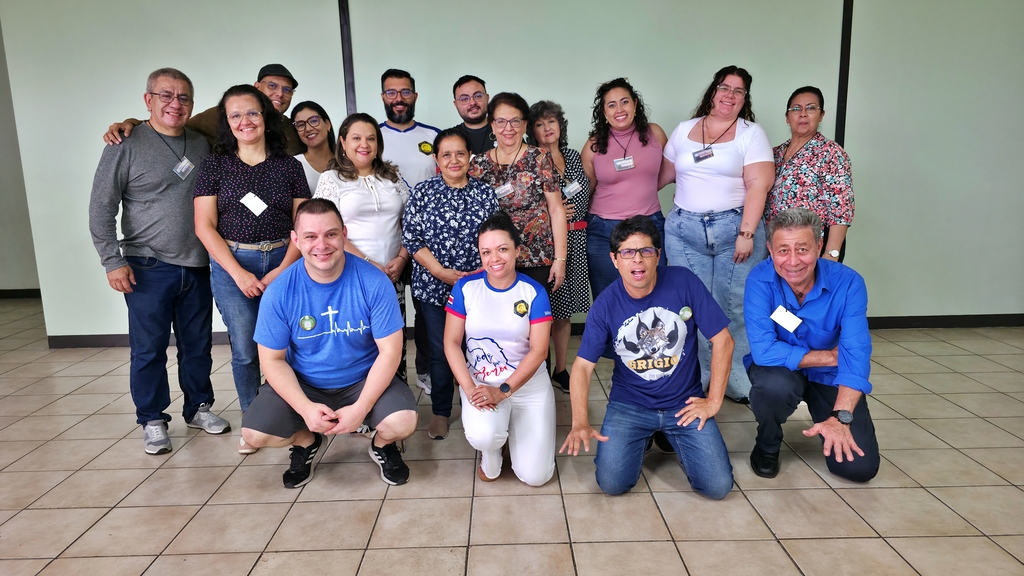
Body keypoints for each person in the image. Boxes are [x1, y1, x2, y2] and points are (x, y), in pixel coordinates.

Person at [89, 67, 230, 455]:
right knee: (149, 349)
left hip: (198, 266)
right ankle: (152, 419)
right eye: (166, 95)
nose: (175, 103)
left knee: (198, 345)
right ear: (148, 99)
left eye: (184, 97)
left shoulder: (201, 145)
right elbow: (102, 206)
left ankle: (198, 406)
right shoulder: (125, 144)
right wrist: (111, 261)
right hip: (146, 266)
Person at [240, 198, 417, 488]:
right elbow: (271, 360)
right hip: (305, 383)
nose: (321, 245)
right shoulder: (281, 291)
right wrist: (306, 408)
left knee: (404, 422)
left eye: (330, 234)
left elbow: (390, 352)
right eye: (310, 236)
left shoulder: (374, 282)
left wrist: (361, 408)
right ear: (296, 240)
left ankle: (382, 445)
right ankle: (307, 443)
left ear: (344, 234)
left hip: (362, 378)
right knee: (254, 435)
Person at [559, 216, 734, 499]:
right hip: (630, 406)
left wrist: (713, 401)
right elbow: (581, 367)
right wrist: (579, 421)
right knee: (612, 484)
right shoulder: (605, 304)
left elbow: (724, 340)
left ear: (658, 256)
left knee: (717, 487)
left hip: (683, 404)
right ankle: (647, 434)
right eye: (628, 252)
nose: (637, 260)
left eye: (646, 251)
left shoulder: (684, 282)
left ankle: (666, 433)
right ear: (615, 259)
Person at [192, 85, 311, 432]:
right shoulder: (214, 165)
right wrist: (239, 274)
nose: (245, 121)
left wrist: (282, 269)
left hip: (284, 261)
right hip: (232, 265)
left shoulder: (288, 166)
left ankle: (294, 414)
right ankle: (254, 421)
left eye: (253, 112)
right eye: (235, 115)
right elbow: (204, 226)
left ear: (266, 117)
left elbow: (302, 227)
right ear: (226, 123)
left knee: (289, 345)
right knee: (245, 349)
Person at [660, 65, 775, 404]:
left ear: (744, 99)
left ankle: (735, 382)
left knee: (734, 308)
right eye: (725, 87)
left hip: (735, 230)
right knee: (691, 310)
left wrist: (747, 232)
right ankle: (699, 380)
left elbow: (759, 184)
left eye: (739, 91)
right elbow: (661, 176)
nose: (730, 95)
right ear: (713, 91)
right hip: (684, 231)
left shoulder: (751, 133)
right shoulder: (683, 131)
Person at [745, 208, 878, 482]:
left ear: (819, 246)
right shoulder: (759, 281)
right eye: (783, 250)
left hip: (829, 377)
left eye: (803, 249)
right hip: (780, 371)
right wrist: (830, 356)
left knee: (859, 468)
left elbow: (856, 355)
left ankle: (829, 421)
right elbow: (764, 350)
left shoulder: (849, 283)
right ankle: (768, 442)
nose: (793, 261)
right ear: (769, 249)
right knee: (773, 386)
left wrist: (841, 419)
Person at [445, 212, 556, 486]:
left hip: (527, 385)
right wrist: (471, 390)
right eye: (486, 252)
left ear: (517, 251)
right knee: (485, 437)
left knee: (536, 476)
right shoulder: (465, 288)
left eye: (502, 249)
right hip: (481, 382)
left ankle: (510, 430)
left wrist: (503, 391)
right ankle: (491, 451)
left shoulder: (534, 292)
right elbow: (450, 343)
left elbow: (539, 351)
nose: (494, 259)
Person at [403, 129, 499, 439]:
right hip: (434, 287)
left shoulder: (485, 193)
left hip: (479, 287)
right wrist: (440, 271)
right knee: (442, 351)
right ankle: (442, 411)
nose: (454, 160)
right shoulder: (423, 192)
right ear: (436, 159)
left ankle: (481, 403)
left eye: (460, 153)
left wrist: (480, 275)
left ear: (470, 157)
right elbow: (412, 238)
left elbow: (496, 239)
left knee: (480, 348)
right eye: (446, 154)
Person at [314, 113, 412, 382]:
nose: (364, 144)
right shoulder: (331, 179)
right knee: (359, 340)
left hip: (393, 274)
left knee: (392, 338)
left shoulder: (393, 177)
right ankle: (359, 402)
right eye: (356, 138)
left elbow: (412, 222)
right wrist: (370, 265)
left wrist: (402, 259)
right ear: (343, 142)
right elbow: (327, 231)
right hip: (352, 274)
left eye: (370, 138)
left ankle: (394, 397)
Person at [377, 68, 440, 395]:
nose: (398, 99)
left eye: (404, 92)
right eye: (391, 92)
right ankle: (388, 376)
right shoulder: (370, 137)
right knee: (388, 315)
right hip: (386, 244)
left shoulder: (433, 135)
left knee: (429, 312)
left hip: (429, 242)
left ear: (414, 95)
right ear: (383, 97)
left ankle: (426, 371)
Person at [468, 92, 568, 295]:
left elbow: (556, 210)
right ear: (492, 124)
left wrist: (560, 260)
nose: (508, 128)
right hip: (495, 259)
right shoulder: (477, 164)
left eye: (515, 121)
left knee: (536, 321)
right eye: (501, 121)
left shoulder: (540, 158)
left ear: (524, 125)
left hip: (537, 257)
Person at [581, 78, 669, 300]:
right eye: (611, 105)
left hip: (650, 224)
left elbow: (673, 171)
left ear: (635, 104)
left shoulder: (654, 134)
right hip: (603, 230)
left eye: (624, 102)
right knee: (608, 297)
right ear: (603, 112)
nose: (619, 110)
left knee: (656, 291)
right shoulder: (593, 145)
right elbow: (586, 189)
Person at [527, 100, 592, 393]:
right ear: (532, 131)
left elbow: (584, 194)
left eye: (551, 122)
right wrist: (552, 212)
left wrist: (567, 210)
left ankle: (561, 369)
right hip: (545, 242)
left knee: (565, 310)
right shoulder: (532, 159)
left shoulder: (572, 156)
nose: (546, 128)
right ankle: (537, 367)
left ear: (560, 125)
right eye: (539, 124)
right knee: (542, 309)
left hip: (575, 240)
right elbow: (528, 203)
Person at [103, 64, 304, 155]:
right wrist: (134, 124)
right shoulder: (222, 115)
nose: (280, 94)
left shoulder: (290, 128)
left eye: (287, 90)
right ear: (257, 87)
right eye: (272, 86)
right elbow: (175, 124)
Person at [767, 86, 854, 262]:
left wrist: (831, 254)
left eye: (811, 108)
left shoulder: (831, 153)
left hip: (812, 248)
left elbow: (841, 210)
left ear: (821, 115)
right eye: (796, 109)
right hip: (778, 246)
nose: (803, 114)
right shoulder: (774, 154)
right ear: (787, 117)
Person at [290, 101, 336, 194]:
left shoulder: (346, 162)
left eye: (314, 121)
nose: (308, 129)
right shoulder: (293, 165)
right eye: (301, 125)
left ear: (327, 124)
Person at [450, 74, 494, 155]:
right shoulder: (449, 137)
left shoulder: (506, 131)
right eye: (464, 99)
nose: (473, 102)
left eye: (478, 96)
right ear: (456, 104)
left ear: (487, 98)